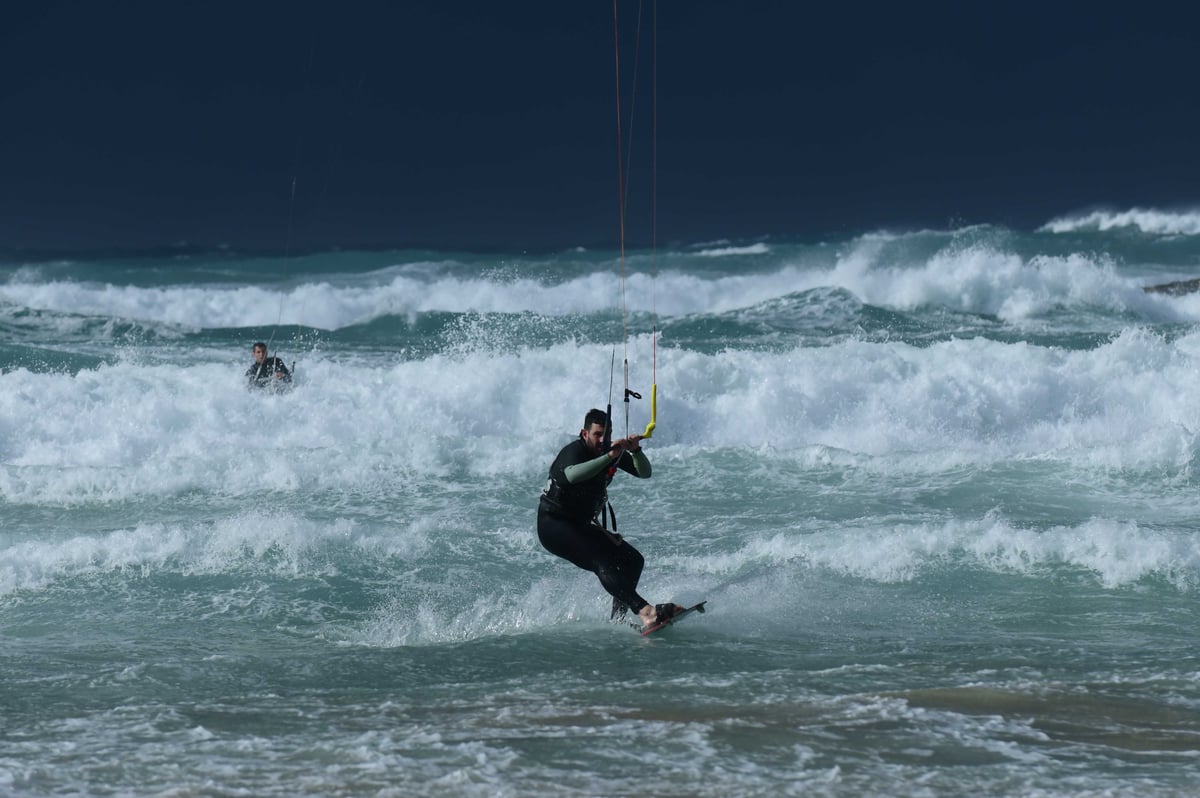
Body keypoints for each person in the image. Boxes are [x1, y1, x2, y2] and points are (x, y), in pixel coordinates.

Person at [537, 408, 682, 628]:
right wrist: (608, 457)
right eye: (597, 434)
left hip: (580, 526)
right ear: (585, 434)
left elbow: (644, 472)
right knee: (602, 561)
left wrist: (635, 451)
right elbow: (572, 475)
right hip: (553, 525)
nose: (603, 439)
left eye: (608, 433)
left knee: (632, 561)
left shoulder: (610, 452)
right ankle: (646, 611)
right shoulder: (574, 451)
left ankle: (618, 620)